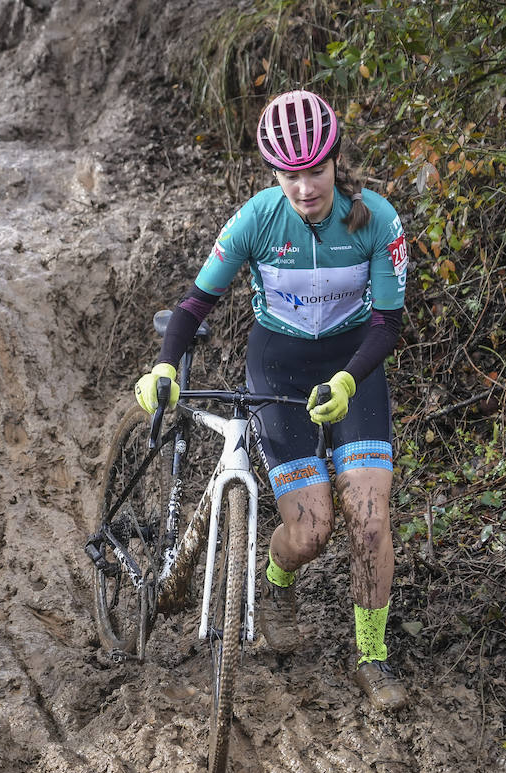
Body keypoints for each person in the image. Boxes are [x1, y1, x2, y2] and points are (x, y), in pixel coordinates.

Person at [134, 89, 410, 711]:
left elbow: (388, 323)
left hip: (353, 370)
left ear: (336, 161)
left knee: (368, 520)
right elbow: (194, 305)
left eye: (315, 169)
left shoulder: (377, 220)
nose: (305, 186)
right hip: (278, 369)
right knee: (311, 532)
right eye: (290, 173)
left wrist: (347, 380)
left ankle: (373, 658)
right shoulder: (257, 218)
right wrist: (163, 365)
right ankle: (278, 579)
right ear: (274, 172)